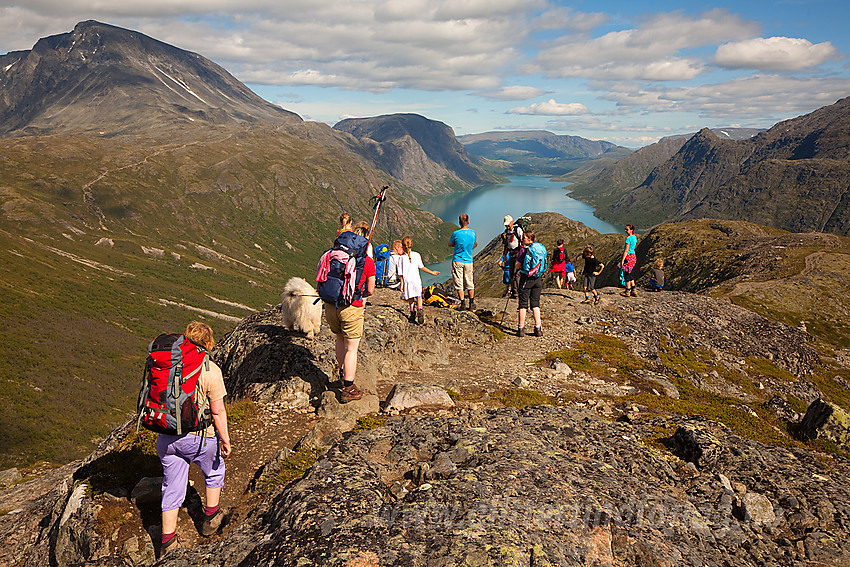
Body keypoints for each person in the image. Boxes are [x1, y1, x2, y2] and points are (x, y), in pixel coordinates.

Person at [157, 322, 231, 554]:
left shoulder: (167, 364)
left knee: (172, 486)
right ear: (209, 343)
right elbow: (218, 411)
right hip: (198, 437)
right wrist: (225, 440)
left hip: (166, 437)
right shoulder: (211, 370)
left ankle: (167, 541)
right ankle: (210, 519)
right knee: (215, 469)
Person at [324, 223, 376, 403]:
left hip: (331, 304)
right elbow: (370, 290)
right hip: (351, 306)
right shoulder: (366, 261)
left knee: (339, 339)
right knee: (352, 347)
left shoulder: (332, 256)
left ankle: (341, 372)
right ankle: (348, 387)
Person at [397, 235, 440, 324]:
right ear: (411, 244)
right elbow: (422, 267)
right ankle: (420, 309)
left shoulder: (400, 258)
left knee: (410, 298)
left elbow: (400, 273)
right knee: (419, 296)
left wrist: (402, 284)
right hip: (416, 280)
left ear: (403, 246)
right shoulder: (416, 255)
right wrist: (432, 272)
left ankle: (412, 313)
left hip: (407, 281)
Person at [517, 231, 547, 337]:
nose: (522, 239)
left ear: (530, 239)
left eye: (524, 238)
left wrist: (515, 272)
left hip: (526, 278)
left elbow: (518, 264)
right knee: (535, 304)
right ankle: (538, 328)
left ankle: (521, 329)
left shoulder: (524, 250)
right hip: (538, 278)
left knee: (523, 304)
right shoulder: (540, 249)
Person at [448, 213, 477, 310]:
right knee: (469, 281)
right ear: (468, 222)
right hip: (468, 260)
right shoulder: (473, 233)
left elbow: (450, 244)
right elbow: (475, 244)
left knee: (459, 282)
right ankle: (472, 303)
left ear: (459, 223)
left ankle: (463, 304)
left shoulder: (456, 233)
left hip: (458, 260)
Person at [501, 215, 523, 298]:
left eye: (508, 224)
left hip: (518, 253)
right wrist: (505, 255)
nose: (507, 226)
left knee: (517, 272)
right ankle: (514, 291)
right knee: (511, 273)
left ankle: (517, 291)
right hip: (511, 253)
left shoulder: (518, 230)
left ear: (512, 222)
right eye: (506, 225)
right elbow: (506, 245)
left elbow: (522, 242)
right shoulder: (506, 232)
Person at [620, 224, 638, 297]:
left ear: (631, 230)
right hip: (633, 256)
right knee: (629, 273)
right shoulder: (634, 237)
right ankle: (634, 290)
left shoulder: (628, 238)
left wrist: (622, 260)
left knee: (626, 273)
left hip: (628, 257)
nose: (625, 230)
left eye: (627, 229)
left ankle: (627, 291)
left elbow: (626, 250)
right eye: (625, 229)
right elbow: (634, 247)